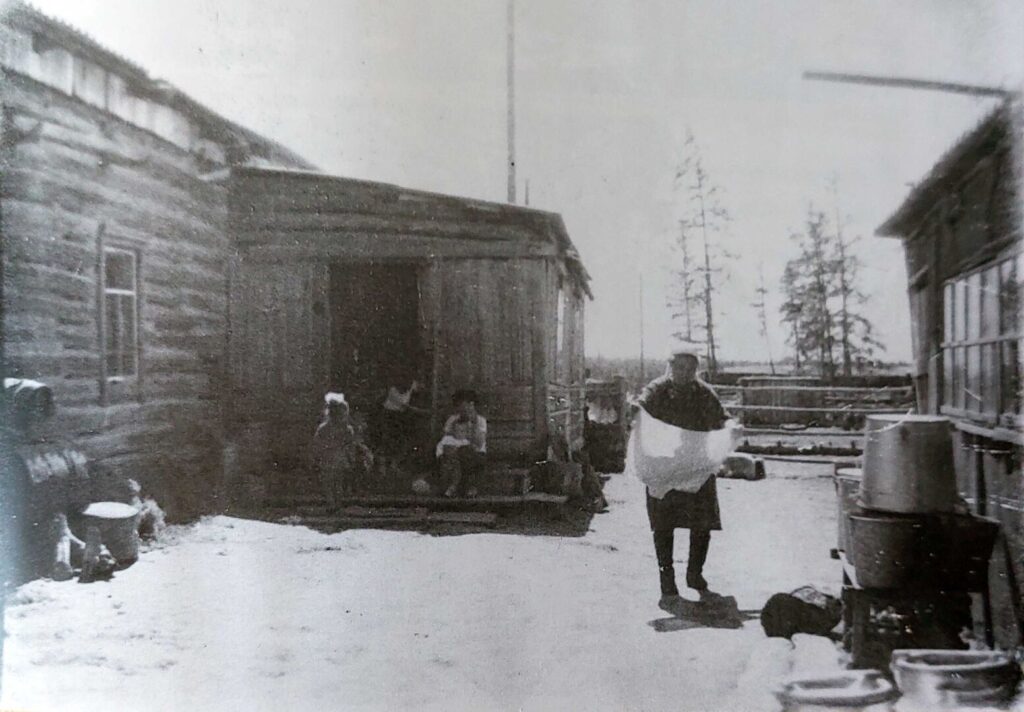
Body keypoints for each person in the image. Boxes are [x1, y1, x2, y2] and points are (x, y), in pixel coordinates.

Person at [636, 345, 730, 602]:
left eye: (690, 368)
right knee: (663, 524)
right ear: (671, 367)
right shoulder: (658, 390)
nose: (685, 373)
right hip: (664, 465)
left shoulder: (704, 393)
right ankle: (666, 577)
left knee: (702, 523)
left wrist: (731, 426)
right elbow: (641, 405)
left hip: (697, 465)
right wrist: (635, 410)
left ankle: (694, 573)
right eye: (679, 367)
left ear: (696, 370)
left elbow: (722, 417)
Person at [436, 390, 487, 498]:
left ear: (471, 405)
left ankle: (465, 487)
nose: (462, 409)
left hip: (475, 453)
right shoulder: (453, 419)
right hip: (454, 452)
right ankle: (450, 487)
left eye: (465, 405)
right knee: (447, 456)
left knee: (465, 453)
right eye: (459, 406)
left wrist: (472, 424)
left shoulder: (480, 420)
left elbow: (479, 443)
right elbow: (445, 437)